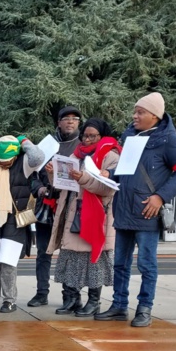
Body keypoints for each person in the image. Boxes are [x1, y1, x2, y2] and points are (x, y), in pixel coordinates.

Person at [96, 92, 176, 327]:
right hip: (124, 209)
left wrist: (160, 196)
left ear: (155, 116)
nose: (134, 115)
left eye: (140, 112)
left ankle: (144, 308)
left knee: (146, 264)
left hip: (147, 211)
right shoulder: (130, 136)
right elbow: (128, 170)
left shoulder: (169, 141)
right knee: (120, 263)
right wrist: (110, 174)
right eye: (135, 111)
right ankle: (119, 305)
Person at [46, 118, 120, 317]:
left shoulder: (111, 156)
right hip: (72, 212)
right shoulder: (75, 154)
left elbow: (107, 188)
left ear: (101, 136)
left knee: (94, 260)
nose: (86, 140)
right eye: (85, 135)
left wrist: (83, 178)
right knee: (71, 258)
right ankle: (71, 299)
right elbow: (63, 185)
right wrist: (53, 175)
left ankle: (94, 302)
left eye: (92, 136)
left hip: (95, 215)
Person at [0, 134, 45, 313]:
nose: (3, 163)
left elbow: (38, 156)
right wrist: (1, 142)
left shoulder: (25, 162)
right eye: (1, 159)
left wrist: (23, 142)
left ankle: (9, 300)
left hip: (14, 221)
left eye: (7, 159)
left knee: (8, 263)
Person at [28, 106, 82, 307]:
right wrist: (40, 190)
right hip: (47, 207)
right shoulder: (47, 146)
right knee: (43, 252)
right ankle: (41, 293)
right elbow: (32, 176)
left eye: (75, 118)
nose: (70, 121)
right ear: (58, 122)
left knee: (70, 252)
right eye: (66, 118)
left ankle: (70, 296)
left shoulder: (82, 147)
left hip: (70, 207)